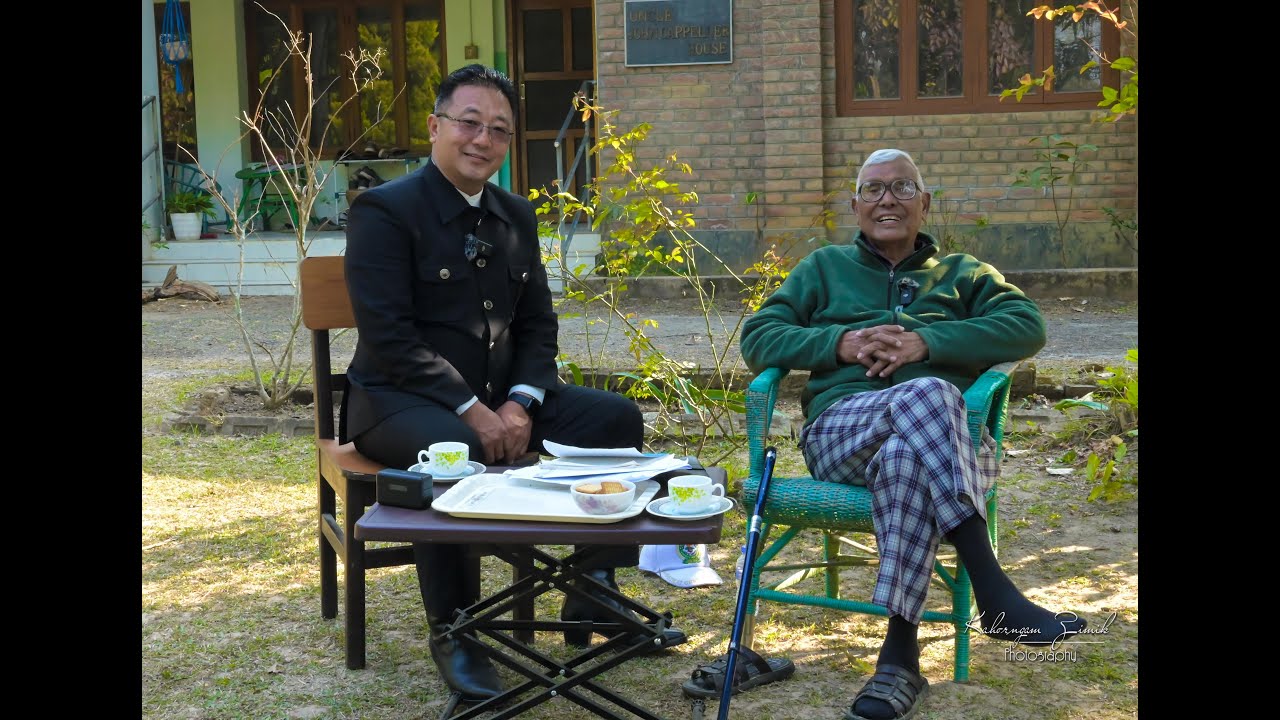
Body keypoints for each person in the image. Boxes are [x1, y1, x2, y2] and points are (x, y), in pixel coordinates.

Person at [341, 64, 685, 703]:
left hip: (502, 401)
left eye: (499, 129)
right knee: (453, 455)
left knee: (615, 419)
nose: (483, 139)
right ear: (435, 125)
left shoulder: (516, 215)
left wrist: (523, 402)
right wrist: (475, 411)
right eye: (469, 122)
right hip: (398, 401)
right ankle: (457, 630)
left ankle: (591, 589)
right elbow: (390, 339)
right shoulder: (385, 211)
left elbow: (538, 325)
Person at [736, 149, 1086, 720]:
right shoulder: (822, 269)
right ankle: (992, 586)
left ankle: (899, 661)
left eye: (901, 187)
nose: (886, 199)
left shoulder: (964, 274)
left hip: (942, 445)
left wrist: (928, 343)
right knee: (930, 396)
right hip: (843, 432)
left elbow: (1028, 326)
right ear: (855, 206)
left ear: (924, 203)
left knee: (907, 454)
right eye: (873, 190)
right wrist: (838, 344)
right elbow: (759, 337)